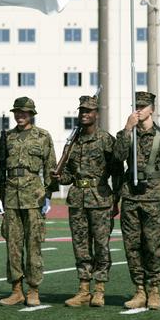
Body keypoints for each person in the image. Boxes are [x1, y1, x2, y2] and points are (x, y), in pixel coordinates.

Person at [112, 91, 160, 310]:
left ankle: (154, 290)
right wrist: (127, 128)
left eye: (143, 106)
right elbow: (118, 157)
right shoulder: (127, 134)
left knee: (152, 245)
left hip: (154, 197)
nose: (138, 110)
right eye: (136, 106)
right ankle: (139, 290)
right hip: (131, 196)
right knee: (132, 246)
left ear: (152, 109)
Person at [55, 95, 118, 307]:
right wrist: (57, 175)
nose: (84, 115)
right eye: (82, 111)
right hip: (77, 200)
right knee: (80, 247)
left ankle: (99, 289)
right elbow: (67, 176)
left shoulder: (106, 140)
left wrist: (116, 199)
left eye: (89, 111)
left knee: (101, 246)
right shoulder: (72, 142)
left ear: (96, 114)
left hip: (100, 198)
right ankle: (83, 289)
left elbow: (117, 172)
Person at [0, 97, 56, 307]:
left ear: (31, 114)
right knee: (13, 246)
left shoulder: (43, 136)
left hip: (34, 196)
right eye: (17, 112)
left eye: (24, 112)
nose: (20, 116)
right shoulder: (7, 137)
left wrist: (49, 195)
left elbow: (50, 167)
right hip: (11, 197)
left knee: (34, 245)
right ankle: (16, 290)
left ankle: (33, 290)